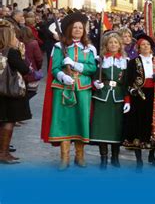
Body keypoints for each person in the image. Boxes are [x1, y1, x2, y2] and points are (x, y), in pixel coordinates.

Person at [40, 12, 97, 170]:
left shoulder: (89, 48)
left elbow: (92, 68)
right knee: (63, 122)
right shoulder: (60, 47)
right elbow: (54, 68)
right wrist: (62, 76)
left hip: (83, 89)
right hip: (63, 89)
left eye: (81, 27)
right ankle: (64, 157)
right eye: (75, 27)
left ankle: (80, 156)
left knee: (81, 121)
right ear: (70, 29)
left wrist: (77, 65)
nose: (78, 30)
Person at [122, 35, 155, 172]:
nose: (145, 47)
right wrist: (129, 97)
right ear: (139, 47)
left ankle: (152, 156)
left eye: (148, 45)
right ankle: (139, 159)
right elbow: (127, 81)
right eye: (143, 45)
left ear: (151, 47)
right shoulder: (133, 62)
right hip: (138, 97)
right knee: (138, 126)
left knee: (153, 125)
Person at [90, 32, 128, 170]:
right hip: (102, 96)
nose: (113, 45)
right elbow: (93, 76)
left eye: (116, 42)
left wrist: (127, 100)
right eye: (110, 42)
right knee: (102, 128)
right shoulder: (100, 60)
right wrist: (96, 83)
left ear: (120, 45)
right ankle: (104, 157)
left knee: (116, 128)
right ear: (106, 45)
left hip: (118, 97)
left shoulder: (124, 61)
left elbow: (126, 83)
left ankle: (115, 156)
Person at [0, 20, 30, 164]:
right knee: (8, 121)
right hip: (9, 92)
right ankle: (3, 153)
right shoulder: (11, 51)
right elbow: (24, 69)